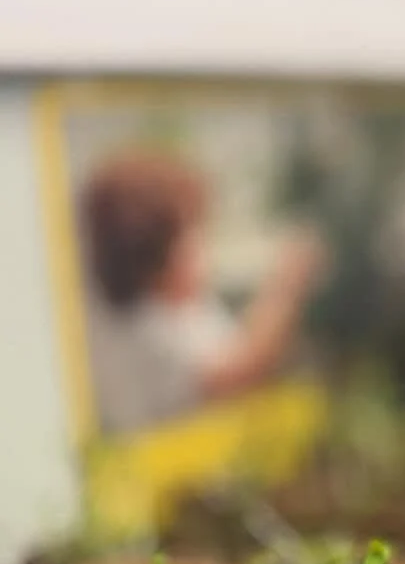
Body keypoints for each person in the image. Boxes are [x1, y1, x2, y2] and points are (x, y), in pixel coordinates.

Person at [80, 149, 327, 433]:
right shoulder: (150, 332)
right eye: (192, 238)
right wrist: (286, 286)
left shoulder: (190, 309)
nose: (204, 249)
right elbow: (239, 374)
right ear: (154, 263)